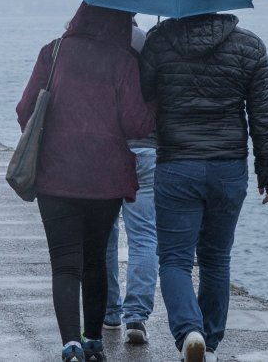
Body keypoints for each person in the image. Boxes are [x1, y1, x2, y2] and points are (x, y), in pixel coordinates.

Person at [16, 3, 155, 362]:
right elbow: (137, 124)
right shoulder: (123, 60)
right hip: (105, 180)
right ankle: (93, 341)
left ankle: (70, 344)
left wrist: (52, 141)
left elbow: (24, 109)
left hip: (55, 176)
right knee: (95, 260)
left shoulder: (54, 51)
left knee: (64, 264)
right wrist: (153, 97)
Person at [140, 13, 268, 362]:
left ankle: (190, 331)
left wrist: (158, 43)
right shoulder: (251, 47)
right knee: (217, 259)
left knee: (174, 259)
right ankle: (211, 344)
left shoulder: (160, 41)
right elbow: (263, 116)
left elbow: (142, 95)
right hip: (228, 166)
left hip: (177, 164)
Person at [103, 19, 159, 344]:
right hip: (147, 149)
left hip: (107, 151)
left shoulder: (96, 46)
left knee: (105, 236)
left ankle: (110, 313)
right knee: (143, 237)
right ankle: (136, 317)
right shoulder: (150, 45)